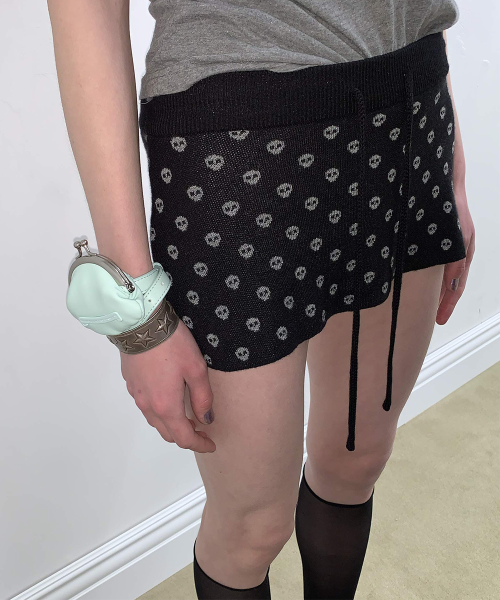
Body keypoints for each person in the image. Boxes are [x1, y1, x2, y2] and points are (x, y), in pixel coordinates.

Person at [47, 1, 475, 598]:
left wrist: (452, 171)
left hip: (410, 113)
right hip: (237, 144)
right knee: (252, 528)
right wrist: (136, 308)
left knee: (357, 461)